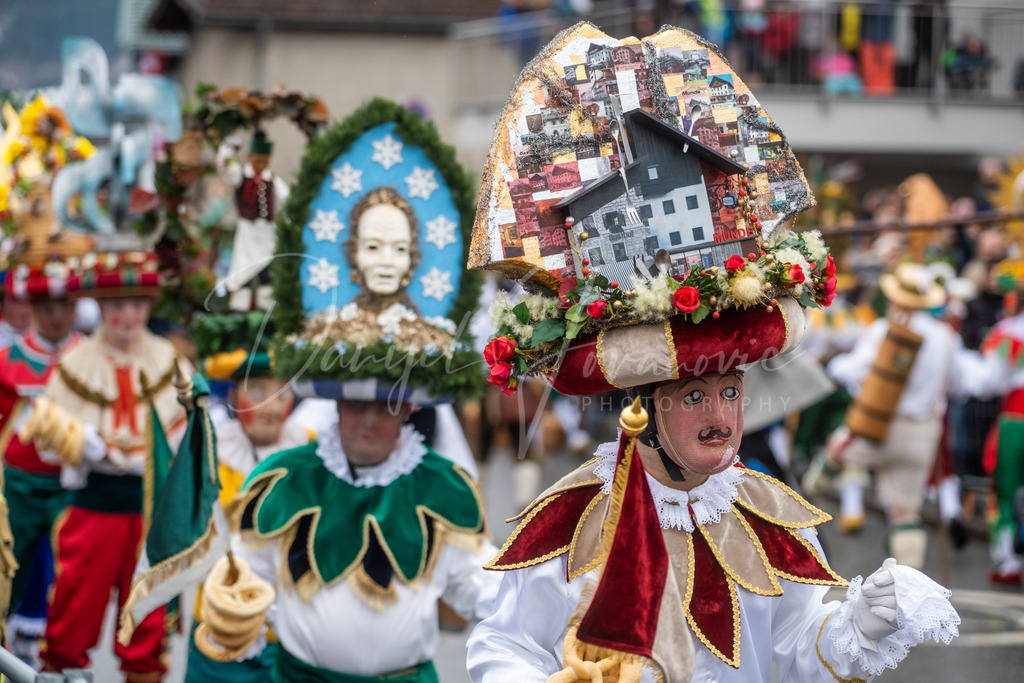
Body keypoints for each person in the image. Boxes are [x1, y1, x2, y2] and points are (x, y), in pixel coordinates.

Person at [191, 99, 497, 682]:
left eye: (383, 405)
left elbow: (485, 591)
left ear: (408, 408)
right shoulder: (283, 479)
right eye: (353, 403)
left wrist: (565, 608)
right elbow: (243, 581)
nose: (366, 420)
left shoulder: (442, 488)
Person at [18, 251, 190, 680]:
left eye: (135, 306)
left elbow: (188, 424)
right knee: (73, 612)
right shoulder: (75, 364)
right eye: (116, 306)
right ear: (101, 308)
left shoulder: (168, 358)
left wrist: (155, 453)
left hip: (150, 513)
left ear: (148, 307)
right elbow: (47, 434)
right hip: (92, 509)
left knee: (146, 621)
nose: (127, 316)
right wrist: (82, 444)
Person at [183, 315, 313, 682]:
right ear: (232, 397)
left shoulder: (315, 455)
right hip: (218, 630)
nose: (271, 408)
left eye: (282, 392)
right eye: (257, 392)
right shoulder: (208, 457)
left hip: (290, 638)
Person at [827, 263, 967, 565]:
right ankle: (908, 587)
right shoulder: (946, 337)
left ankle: (816, 509)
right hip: (923, 433)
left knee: (833, 454)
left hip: (879, 425)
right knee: (907, 512)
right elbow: (957, 384)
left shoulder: (883, 330)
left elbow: (854, 370)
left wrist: (833, 366)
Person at [0, 262, 82, 664]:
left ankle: (57, 655)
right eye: (46, 308)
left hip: (73, 484)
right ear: (31, 308)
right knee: (7, 567)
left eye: (64, 307)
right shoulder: (7, 360)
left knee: (69, 575)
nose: (56, 317)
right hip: (18, 483)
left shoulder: (88, 356)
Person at [220, 131, 290, 310]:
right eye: (258, 160)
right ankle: (239, 306)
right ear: (250, 157)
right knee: (243, 268)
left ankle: (265, 306)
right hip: (247, 232)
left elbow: (287, 200)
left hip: (267, 233)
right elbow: (224, 168)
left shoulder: (273, 180)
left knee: (267, 269)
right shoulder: (240, 176)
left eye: (265, 161)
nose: (261, 165)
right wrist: (228, 151)